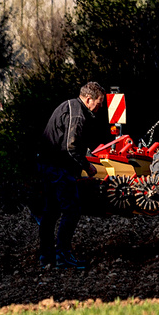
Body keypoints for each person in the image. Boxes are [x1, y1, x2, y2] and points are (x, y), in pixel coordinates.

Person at [34, 81, 108, 269]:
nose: (101, 106)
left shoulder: (69, 106)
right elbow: (70, 146)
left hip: (47, 165)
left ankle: (46, 257)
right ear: (89, 99)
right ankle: (63, 256)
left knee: (50, 212)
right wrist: (87, 166)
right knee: (72, 210)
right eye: (100, 101)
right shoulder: (77, 113)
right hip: (58, 167)